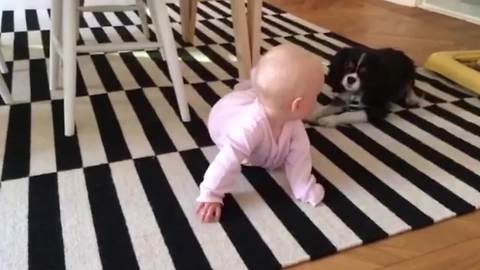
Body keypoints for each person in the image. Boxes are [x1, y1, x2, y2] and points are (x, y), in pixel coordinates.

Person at [196, 44, 326, 223]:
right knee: (248, 100)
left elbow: (300, 156)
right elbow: (228, 158)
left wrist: (303, 187)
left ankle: (255, 88)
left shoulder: (293, 122)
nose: (318, 101)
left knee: (265, 96)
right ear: (297, 105)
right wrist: (211, 194)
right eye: (316, 95)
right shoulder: (249, 127)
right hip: (225, 114)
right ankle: (250, 89)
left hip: (264, 105)